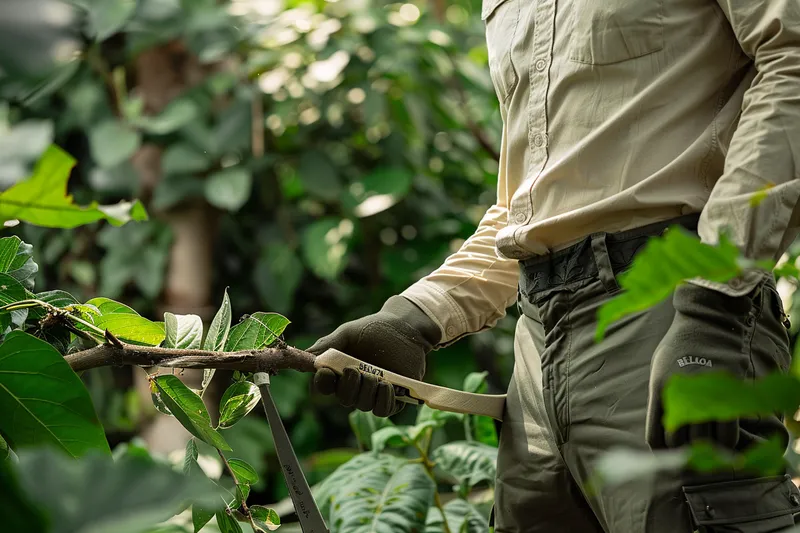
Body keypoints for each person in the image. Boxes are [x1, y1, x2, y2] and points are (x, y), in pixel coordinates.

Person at [308, 1, 800, 531]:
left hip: (667, 310)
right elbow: (535, 202)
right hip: (537, 339)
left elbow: (792, 62)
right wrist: (415, 317)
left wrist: (715, 301)